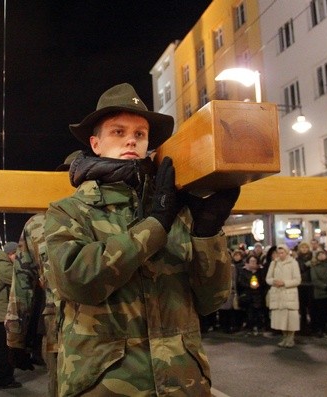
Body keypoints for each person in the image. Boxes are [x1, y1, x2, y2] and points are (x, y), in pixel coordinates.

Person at [44, 83, 239, 395]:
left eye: (140, 134)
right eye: (118, 132)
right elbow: (75, 280)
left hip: (182, 383)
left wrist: (208, 233)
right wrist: (155, 224)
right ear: (96, 143)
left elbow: (211, 300)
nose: (131, 140)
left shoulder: (177, 208)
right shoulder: (70, 211)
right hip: (106, 384)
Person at [0, 241, 21, 389]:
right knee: (4, 349)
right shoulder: (4, 267)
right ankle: (4, 379)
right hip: (2, 315)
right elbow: (19, 281)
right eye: (16, 255)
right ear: (10, 254)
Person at [266, 245, 301, 348]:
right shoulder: (274, 263)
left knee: (290, 319)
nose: (280, 255)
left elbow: (297, 280)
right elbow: (268, 278)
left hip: (289, 294)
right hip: (277, 294)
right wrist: (273, 282)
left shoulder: (293, 263)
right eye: (279, 253)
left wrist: (285, 283)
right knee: (280, 319)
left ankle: (290, 338)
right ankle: (284, 337)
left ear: (287, 252)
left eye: (282, 253)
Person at [237, 254, 265, 336]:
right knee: (249, 313)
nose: (253, 263)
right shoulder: (244, 271)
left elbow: (263, 281)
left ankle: (258, 327)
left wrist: (259, 285)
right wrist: (249, 285)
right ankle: (250, 328)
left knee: (258, 312)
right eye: (251, 261)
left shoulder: (260, 271)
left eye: (254, 261)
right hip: (248, 295)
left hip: (258, 295)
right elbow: (240, 282)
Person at [309, 250, 327, 338]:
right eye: (320, 254)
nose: (322, 256)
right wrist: (325, 286)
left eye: (323, 254)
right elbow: (315, 280)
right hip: (319, 292)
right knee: (320, 312)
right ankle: (320, 329)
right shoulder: (314, 266)